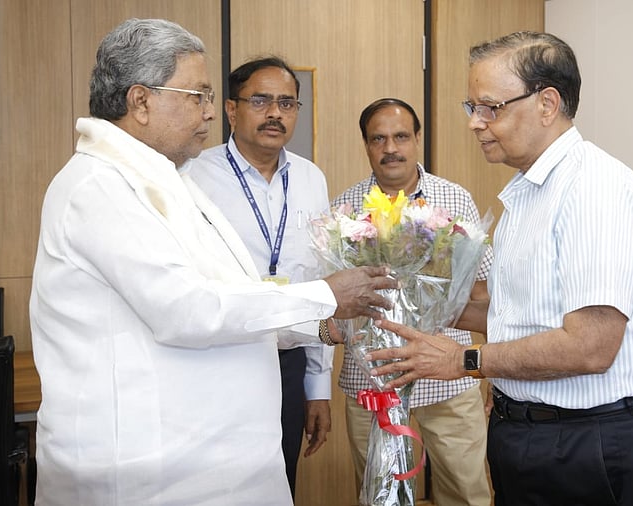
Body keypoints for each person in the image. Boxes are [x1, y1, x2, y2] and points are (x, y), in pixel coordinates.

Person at [28, 18, 396, 506]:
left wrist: (323, 327)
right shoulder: (101, 186)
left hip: (207, 459)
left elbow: (234, 293)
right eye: (196, 96)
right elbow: (189, 310)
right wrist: (326, 296)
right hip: (146, 465)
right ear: (141, 102)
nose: (209, 113)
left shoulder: (164, 178)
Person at [367, 32, 633, 506]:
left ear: (547, 103)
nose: (476, 123)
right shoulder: (527, 191)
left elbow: (591, 346)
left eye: (490, 107)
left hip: (586, 443)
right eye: (472, 107)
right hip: (528, 434)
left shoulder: (594, 189)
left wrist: (465, 361)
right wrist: (409, 299)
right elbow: (517, 316)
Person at [332, 98, 493, 506]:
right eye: (379, 139)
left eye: (401, 136)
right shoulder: (344, 211)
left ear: (417, 139)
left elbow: (482, 294)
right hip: (373, 383)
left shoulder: (453, 200)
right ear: (366, 145)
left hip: (449, 380)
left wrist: (489, 368)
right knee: (380, 496)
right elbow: (333, 302)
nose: (391, 148)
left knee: (467, 494)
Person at [186, 56, 332, 499]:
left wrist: (317, 387)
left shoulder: (311, 179)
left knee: (279, 482)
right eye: (261, 100)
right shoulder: (194, 176)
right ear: (232, 110)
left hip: (286, 364)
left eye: (287, 103)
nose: (275, 113)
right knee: (215, 487)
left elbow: (320, 286)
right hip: (217, 364)